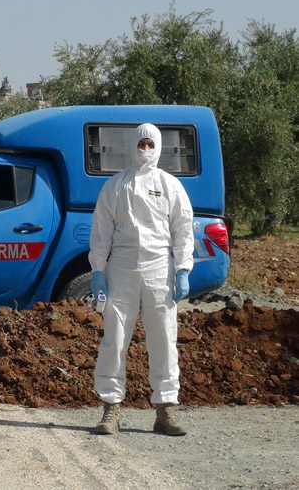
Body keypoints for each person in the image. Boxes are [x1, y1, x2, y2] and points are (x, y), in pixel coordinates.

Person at [88, 123, 194, 436]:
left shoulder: (170, 185)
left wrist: (183, 269)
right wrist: (97, 270)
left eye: (150, 144)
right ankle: (111, 410)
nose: (145, 150)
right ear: (132, 145)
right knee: (115, 339)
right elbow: (102, 231)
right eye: (141, 144)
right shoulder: (115, 186)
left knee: (163, 339)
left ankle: (166, 411)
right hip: (121, 270)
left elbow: (183, 229)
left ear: (158, 147)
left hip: (160, 269)